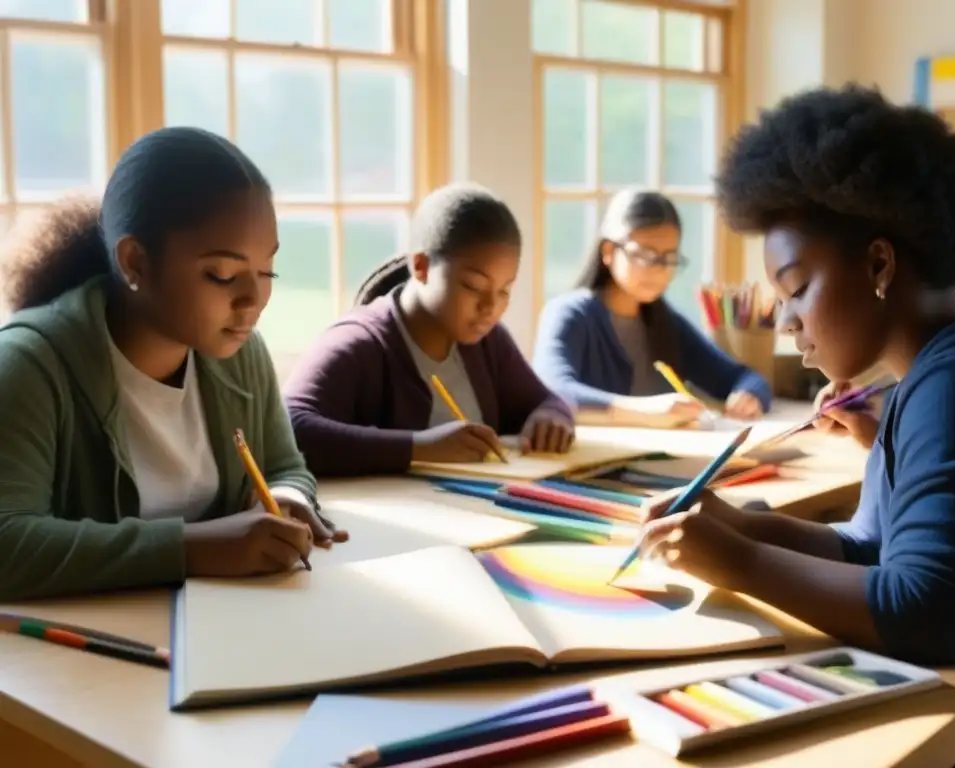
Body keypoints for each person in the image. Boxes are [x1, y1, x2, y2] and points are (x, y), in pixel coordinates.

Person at [638, 84, 955, 759]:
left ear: (878, 263)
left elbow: (935, 609)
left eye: (795, 290)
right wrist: (738, 523)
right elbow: (876, 548)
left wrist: (742, 562)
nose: (786, 322)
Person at [0, 127, 346, 602]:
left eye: (266, 271)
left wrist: (288, 497)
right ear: (134, 262)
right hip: (91, 656)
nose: (254, 299)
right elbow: (8, 542)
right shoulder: (31, 364)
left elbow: (284, 465)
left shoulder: (241, 353)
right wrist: (194, 548)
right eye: (222, 274)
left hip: (227, 631)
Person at [285, 183, 575, 478]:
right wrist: (417, 447)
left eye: (504, 290)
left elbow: (545, 401)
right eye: (473, 286)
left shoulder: (488, 341)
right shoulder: (359, 342)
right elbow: (292, 426)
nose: (490, 306)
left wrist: (551, 417)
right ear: (421, 266)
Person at [532, 189, 771, 427]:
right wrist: (646, 411)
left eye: (669, 257)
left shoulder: (666, 322)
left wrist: (749, 395)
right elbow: (554, 390)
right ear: (608, 251)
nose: (659, 269)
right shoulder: (569, 313)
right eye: (645, 255)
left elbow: (746, 378)